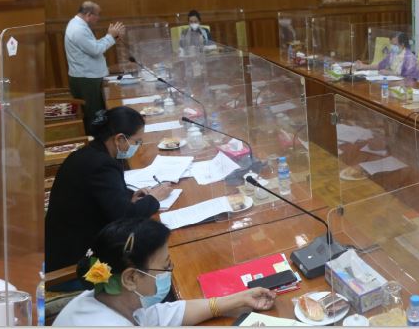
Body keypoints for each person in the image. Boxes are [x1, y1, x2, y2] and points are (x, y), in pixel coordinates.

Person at [53, 218, 276, 326]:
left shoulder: (110, 297)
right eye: (166, 265)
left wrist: (239, 299)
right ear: (131, 278)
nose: (169, 271)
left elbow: (165, 315)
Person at [46, 107, 172, 273]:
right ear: (119, 139)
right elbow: (124, 217)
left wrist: (128, 195)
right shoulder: (102, 166)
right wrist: (154, 198)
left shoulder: (92, 152)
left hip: (62, 241)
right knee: (149, 253)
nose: (138, 146)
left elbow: (101, 193)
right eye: (137, 141)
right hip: (74, 260)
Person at [65, 1, 125, 128]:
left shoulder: (78, 25)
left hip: (88, 76)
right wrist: (110, 36)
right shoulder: (78, 29)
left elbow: (93, 46)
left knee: (97, 112)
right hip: (86, 78)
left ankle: (98, 135)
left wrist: (113, 38)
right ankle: (96, 138)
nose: (98, 18)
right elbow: (96, 50)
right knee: (94, 115)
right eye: (97, 15)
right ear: (88, 15)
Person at [354, 32, 419, 82]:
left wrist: (391, 73)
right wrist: (363, 66)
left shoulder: (410, 58)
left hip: (404, 87)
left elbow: (410, 79)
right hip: (391, 83)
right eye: (391, 44)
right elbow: (380, 65)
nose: (392, 47)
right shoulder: (393, 53)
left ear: (402, 45)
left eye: (394, 44)